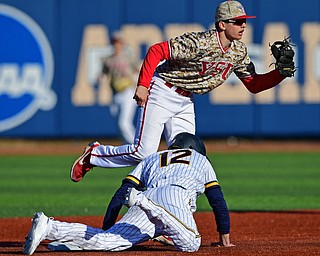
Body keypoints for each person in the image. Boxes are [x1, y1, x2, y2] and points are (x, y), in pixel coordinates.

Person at [70, 0, 296, 182]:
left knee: (187, 159)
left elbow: (254, 84)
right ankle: (95, 155)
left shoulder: (238, 52)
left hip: (185, 100)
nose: (243, 25)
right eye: (237, 21)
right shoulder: (199, 42)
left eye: (244, 21)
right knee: (143, 152)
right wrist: (142, 84)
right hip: (162, 90)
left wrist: (280, 74)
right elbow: (157, 50)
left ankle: (169, 216)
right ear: (221, 24)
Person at [24, 133, 234, 255]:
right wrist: (224, 237)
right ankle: (144, 203)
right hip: (172, 197)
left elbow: (121, 193)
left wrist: (106, 228)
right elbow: (217, 200)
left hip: (147, 196)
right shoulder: (200, 159)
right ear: (194, 148)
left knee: (110, 241)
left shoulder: (153, 158)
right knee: (191, 244)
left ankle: (51, 227)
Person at [99, 31, 139, 144]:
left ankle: (136, 148)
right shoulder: (108, 59)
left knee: (124, 123)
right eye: (115, 42)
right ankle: (128, 150)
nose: (117, 45)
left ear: (123, 44)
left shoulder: (129, 57)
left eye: (119, 42)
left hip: (128, 92)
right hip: (116, 94)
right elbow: (103, 74)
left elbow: (139, 71)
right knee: (119, 125)